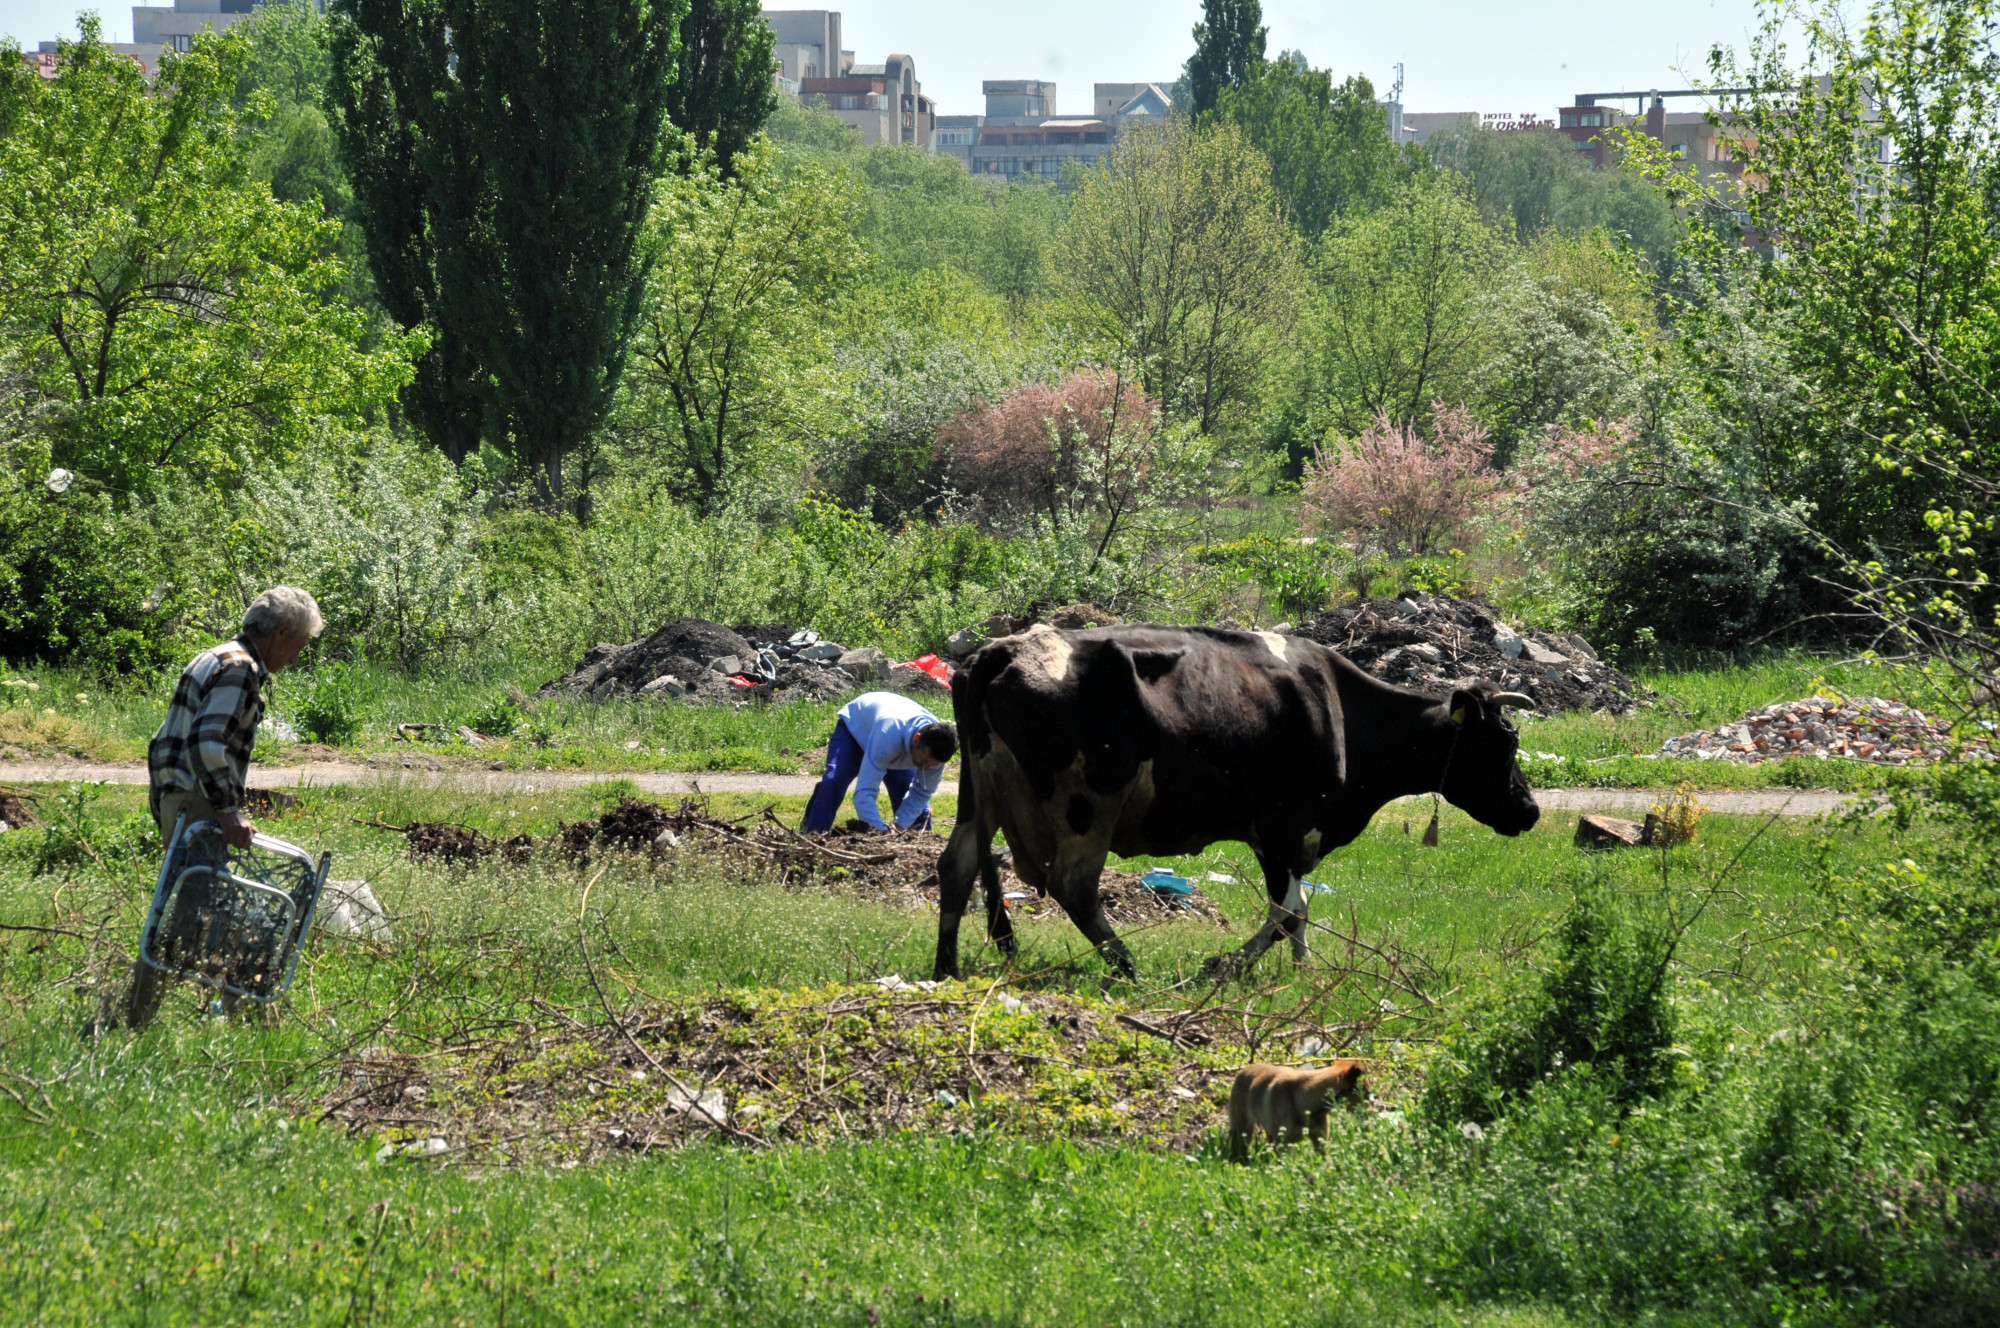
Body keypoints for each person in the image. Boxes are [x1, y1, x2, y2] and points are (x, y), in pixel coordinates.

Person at [113, 587, 323, 1031]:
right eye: (299, 645)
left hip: (180, 799)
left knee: (195, 911)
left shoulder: (213, 656)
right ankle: (141, 1019)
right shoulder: (240, 669)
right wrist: (228, 811)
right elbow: (206, 742)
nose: (297, 658)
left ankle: (182, 1014)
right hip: (198, 802)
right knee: (197, 915)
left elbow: (165, 740)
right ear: (282, 632)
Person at [802, 691, 957, 834]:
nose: (926, 768)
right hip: (856, 728)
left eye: (931, 765)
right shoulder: (888, 738)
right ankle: (812, 837)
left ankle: (919, 851)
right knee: (834, 782)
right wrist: (881, 832)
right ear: (917, 738)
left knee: (919, 813)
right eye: (923, 761)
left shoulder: (937, 749)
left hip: (892, 745)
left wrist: (899, 827)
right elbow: (864, 794)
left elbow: (921, 793)